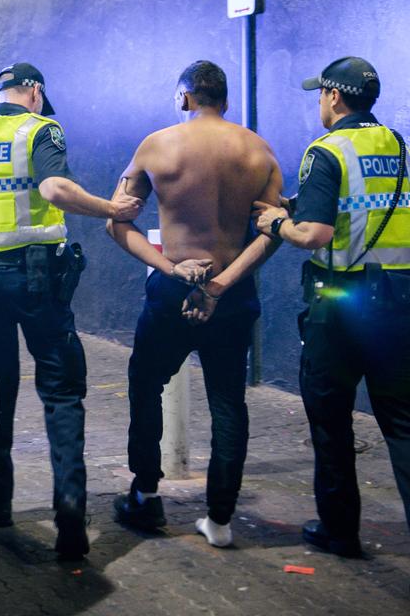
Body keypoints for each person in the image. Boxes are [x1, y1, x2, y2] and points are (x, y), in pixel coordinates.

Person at [0, 62, 143, 560]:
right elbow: (55, 190)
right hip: (38, 281)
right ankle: (71, 513)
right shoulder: (41, 129)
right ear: (34, 91)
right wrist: (112, 210)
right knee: (60, 392)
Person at [107, 60, 282, 547]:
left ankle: (144, 495)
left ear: (185, 98)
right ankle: (220, 521)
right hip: (233, 292)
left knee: (145, 383)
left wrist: (170, 268)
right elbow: (274, 233)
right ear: (224, 101)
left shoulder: (158, 145)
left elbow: (116, 223)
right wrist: (221, 284)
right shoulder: (258, 150)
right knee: (229, 401)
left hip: (173, 290)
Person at [254, 56, 410, 557]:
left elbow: (315, 234)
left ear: (335, 97)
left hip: (341, 306)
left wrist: (278, 222)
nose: (319, 103)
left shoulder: (325, 150)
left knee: (331, 420)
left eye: (320, 95)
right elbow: (363, 204)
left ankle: (340, 530)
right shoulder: (398, 144)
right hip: (399, 301)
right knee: (403, 425)